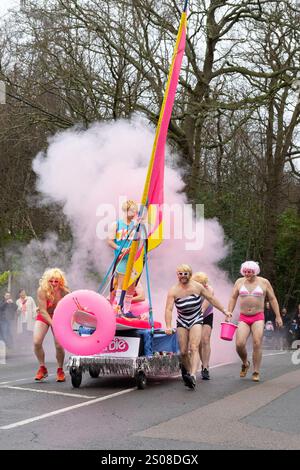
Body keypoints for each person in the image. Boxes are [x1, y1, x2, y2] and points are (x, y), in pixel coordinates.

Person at [165, 264, 231, 390]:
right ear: (177, 275)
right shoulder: (173, 290)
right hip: (182, 320)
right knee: (184, 351)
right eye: (180, 274)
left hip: (196, 318)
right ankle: (189, 372)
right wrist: (168, 326)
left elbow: (211, 298)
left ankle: (193, 375)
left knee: (194, 347)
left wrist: (224, 310)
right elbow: (168, 309)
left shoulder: (197, 287)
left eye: (185, 274)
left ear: (190, 274)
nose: (183, 276)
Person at [227, 261, 283, 382]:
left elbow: (272, 299)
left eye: (250, 272)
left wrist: (278, 316)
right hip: (243, 317)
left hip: (258, 316)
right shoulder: (239, 282)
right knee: (239, 344)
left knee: (257, 342)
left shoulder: (264, 282)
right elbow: (233, 297)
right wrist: (229, 313)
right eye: (245, 271)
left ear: (255, 271)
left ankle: (256, 370)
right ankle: (245, 362)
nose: (247, 274)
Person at [33, 268, 70, 382]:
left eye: (56, 281)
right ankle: (42, 368)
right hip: (44, 315)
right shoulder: (42, 290)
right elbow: (43, 311)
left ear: (61, 281)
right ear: (47, 281)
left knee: (59, 345)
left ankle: (60, 369)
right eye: (51, 281)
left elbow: (72, 304)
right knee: (37, 342)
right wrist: (53, 324)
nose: (54, 284)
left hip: (58, 316)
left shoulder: (65, 291)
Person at [108, 200, 138, 314]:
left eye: (135, 211)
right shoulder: (116, 224)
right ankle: (117, 308)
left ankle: (127, 310)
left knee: (131, 285)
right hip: (122, 258)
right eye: (132, 210)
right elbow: (110, 241)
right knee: (121, 284)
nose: (134, 213)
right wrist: (120, 249)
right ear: (126, 210)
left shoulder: (135, 226)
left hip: (133, 259)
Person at [192, 272, 214, 380]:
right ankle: (201, 364)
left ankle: (205, 367)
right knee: (198, 342)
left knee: (205, 339)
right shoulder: (191, 289)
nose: (204, 286)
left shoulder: (209, 289)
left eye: (205, 283)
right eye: (201, 284)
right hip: (194, 316)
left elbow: (203, 308)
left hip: (206, 315)